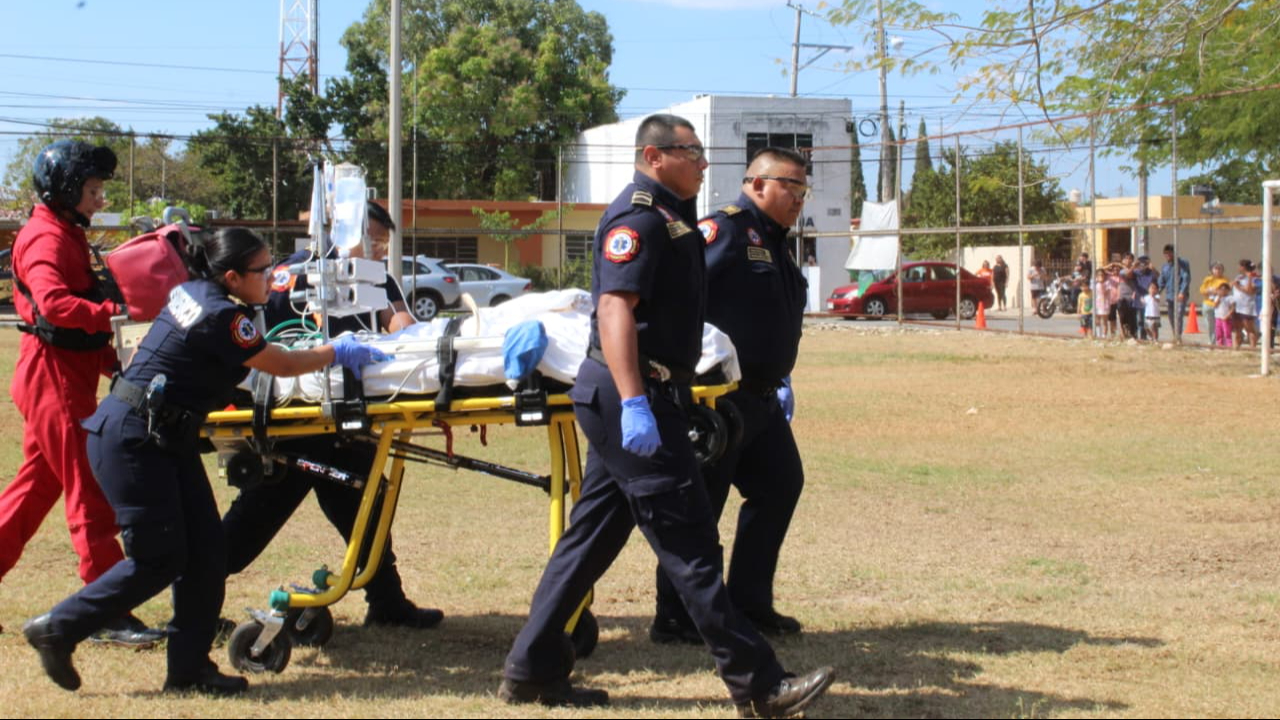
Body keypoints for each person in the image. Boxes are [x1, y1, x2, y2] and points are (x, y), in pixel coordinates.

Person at [498, 114, 833, 717]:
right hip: (636, 393)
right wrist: (633, 400)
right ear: (654, 156)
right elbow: (615, 311)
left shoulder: (673, 220)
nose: (705, 163)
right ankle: (759, 687)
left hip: (650, 393)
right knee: (692, 545)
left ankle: (530, 671)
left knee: (588, 541)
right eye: (692, 152)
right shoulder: (640, 218)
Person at [21, 228, 385, 695]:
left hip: (163, 435)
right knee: (159, 559)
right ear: (232, 277)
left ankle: (188, 670)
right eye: (262, 270)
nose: (271, 277)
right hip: (136, 440)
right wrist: (338, 350)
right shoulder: (223, 316)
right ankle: (59, 627)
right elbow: (284, 364)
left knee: (208, 554)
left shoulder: (194, 292)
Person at [220, 201, 442, 630]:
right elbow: (263, 338)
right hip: (293, 421)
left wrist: (414, 340)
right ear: (342, 233)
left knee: (366, 508)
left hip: (347, 418)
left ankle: (387, 602)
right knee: (254, 520)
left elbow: (402, 324)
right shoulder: (291, 274)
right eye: (372, 240)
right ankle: (192, 604)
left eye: (383, 241)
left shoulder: (378, 279)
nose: (379, 250)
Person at [0, 141, 163, 646]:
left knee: (34, 492)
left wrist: (113, 354)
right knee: (89, 489)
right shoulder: (45, 238)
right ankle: (103, 610)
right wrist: (118, 319)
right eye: (92, 190)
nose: (98, 199)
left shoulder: (62, 232)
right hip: (54, 377)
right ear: (67, 190)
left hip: (64, 372)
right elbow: (53, 305)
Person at [649, 147, 810, 645]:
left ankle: (748, 602)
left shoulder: (777, 241)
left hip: (761, 398)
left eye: (804, 190)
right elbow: (682, 294)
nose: (798, 198)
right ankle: (675, 616)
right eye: (790, 186)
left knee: (780, 485)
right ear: (756, 183)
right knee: (702, 505)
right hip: (718, 397)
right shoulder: (727, 230)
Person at [1158, 244, 1191, 337]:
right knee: (1171, 316)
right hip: (1170, 295)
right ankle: (1175, 334)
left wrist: (1182, 292)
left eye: (1169, 253)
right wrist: (1157, 292)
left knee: (1179, 315)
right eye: (1166, 254)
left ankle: (1178, 336)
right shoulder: (1165, 267)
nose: (1167, 256)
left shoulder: (1182, 264)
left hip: (1180, 295)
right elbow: (1162, 281)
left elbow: (1186, 278)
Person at [1199, 263, 1230, 347]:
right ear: (1212, 270)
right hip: (1208, 303)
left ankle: (1222, 342)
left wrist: (1217, 291)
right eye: (1216, 268)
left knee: (1221, 325)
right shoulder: (1208, 279)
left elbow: (1226, 291)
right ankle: (1212, 341)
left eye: (1220, 269)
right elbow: (1202, 290)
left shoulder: (1225, 280)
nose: (1218, 270)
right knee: (1210, 324)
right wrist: (1209, 291)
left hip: (1220, 305)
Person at [1232, 259, 1259, 349]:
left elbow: (1250, 291)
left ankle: (1252, 348)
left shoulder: (1254, 278)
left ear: (1243, 267)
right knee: (1237, 329)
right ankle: (1236, 347)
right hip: (1237, 306)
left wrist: (1238, 286)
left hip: (1247, 307)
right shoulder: (1239, 277)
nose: (1238, 268)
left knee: (1249, 329)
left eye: (1239, 266)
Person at [1212, 282, 1234, 348]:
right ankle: (1220, 344)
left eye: (1224, 289)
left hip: (1226, 318)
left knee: (1227, 332)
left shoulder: (1230, 298)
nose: (1223, 291)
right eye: (1221, 289)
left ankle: (1229, 345)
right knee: (1219, 332)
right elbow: (1215, 305)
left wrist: (1228, 315)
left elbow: (1232, 308)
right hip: (1218, 317)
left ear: (1228, 290)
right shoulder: (1217, 297)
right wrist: (1219, 297)